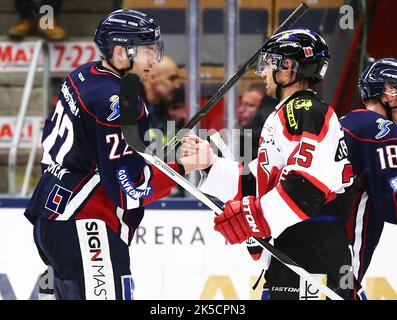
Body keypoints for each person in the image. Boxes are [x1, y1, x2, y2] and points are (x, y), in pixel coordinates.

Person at [24, 9, 209, 300]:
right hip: (87, 224)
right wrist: (182, 168)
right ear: (121, 52)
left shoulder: (83, 75)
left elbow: (92, 154)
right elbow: (127, 191)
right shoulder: (119, 101)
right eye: (148, 50)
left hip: (51, 216)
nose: (154, 59)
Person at [181, 29, 356, 300]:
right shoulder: (291, 112)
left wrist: (256, 217)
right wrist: (210, 165)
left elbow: (306, 189)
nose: (262, 72)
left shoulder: (305, 112)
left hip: (312, 250)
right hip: (297, 246)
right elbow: (259, 185)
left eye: (269, 63)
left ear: (288, 68)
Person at [340, 58, 397, 291]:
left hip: (298, 255)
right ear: (388, 94)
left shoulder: (341, 123)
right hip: (340, 263)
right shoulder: (382, 132)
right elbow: (392, 206)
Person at [144, 55, 181, 141]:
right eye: (172, 78)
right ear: (152, 78)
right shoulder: (134, 111)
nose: (177, 85)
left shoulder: (162, 110)